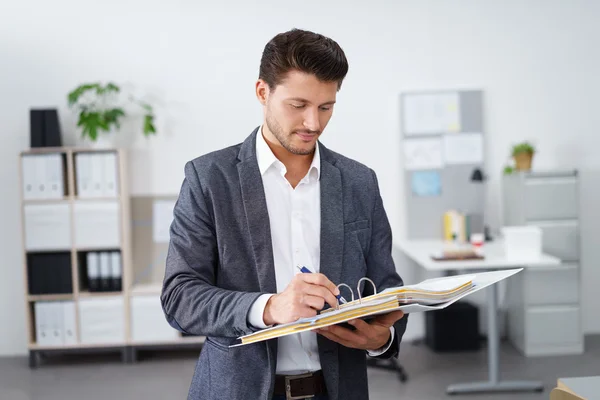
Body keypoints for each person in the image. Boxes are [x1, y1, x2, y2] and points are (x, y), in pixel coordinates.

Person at [161, 28, 408, 400]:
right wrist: (270, 307)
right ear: (263, 92)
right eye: (298, 105)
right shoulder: (209, 179)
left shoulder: (359, 182)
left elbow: (385, 286)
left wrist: (383, 339)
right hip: (239, 391)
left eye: (326, 107)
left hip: (337, 389)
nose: (314, 123)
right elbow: (180, 298)